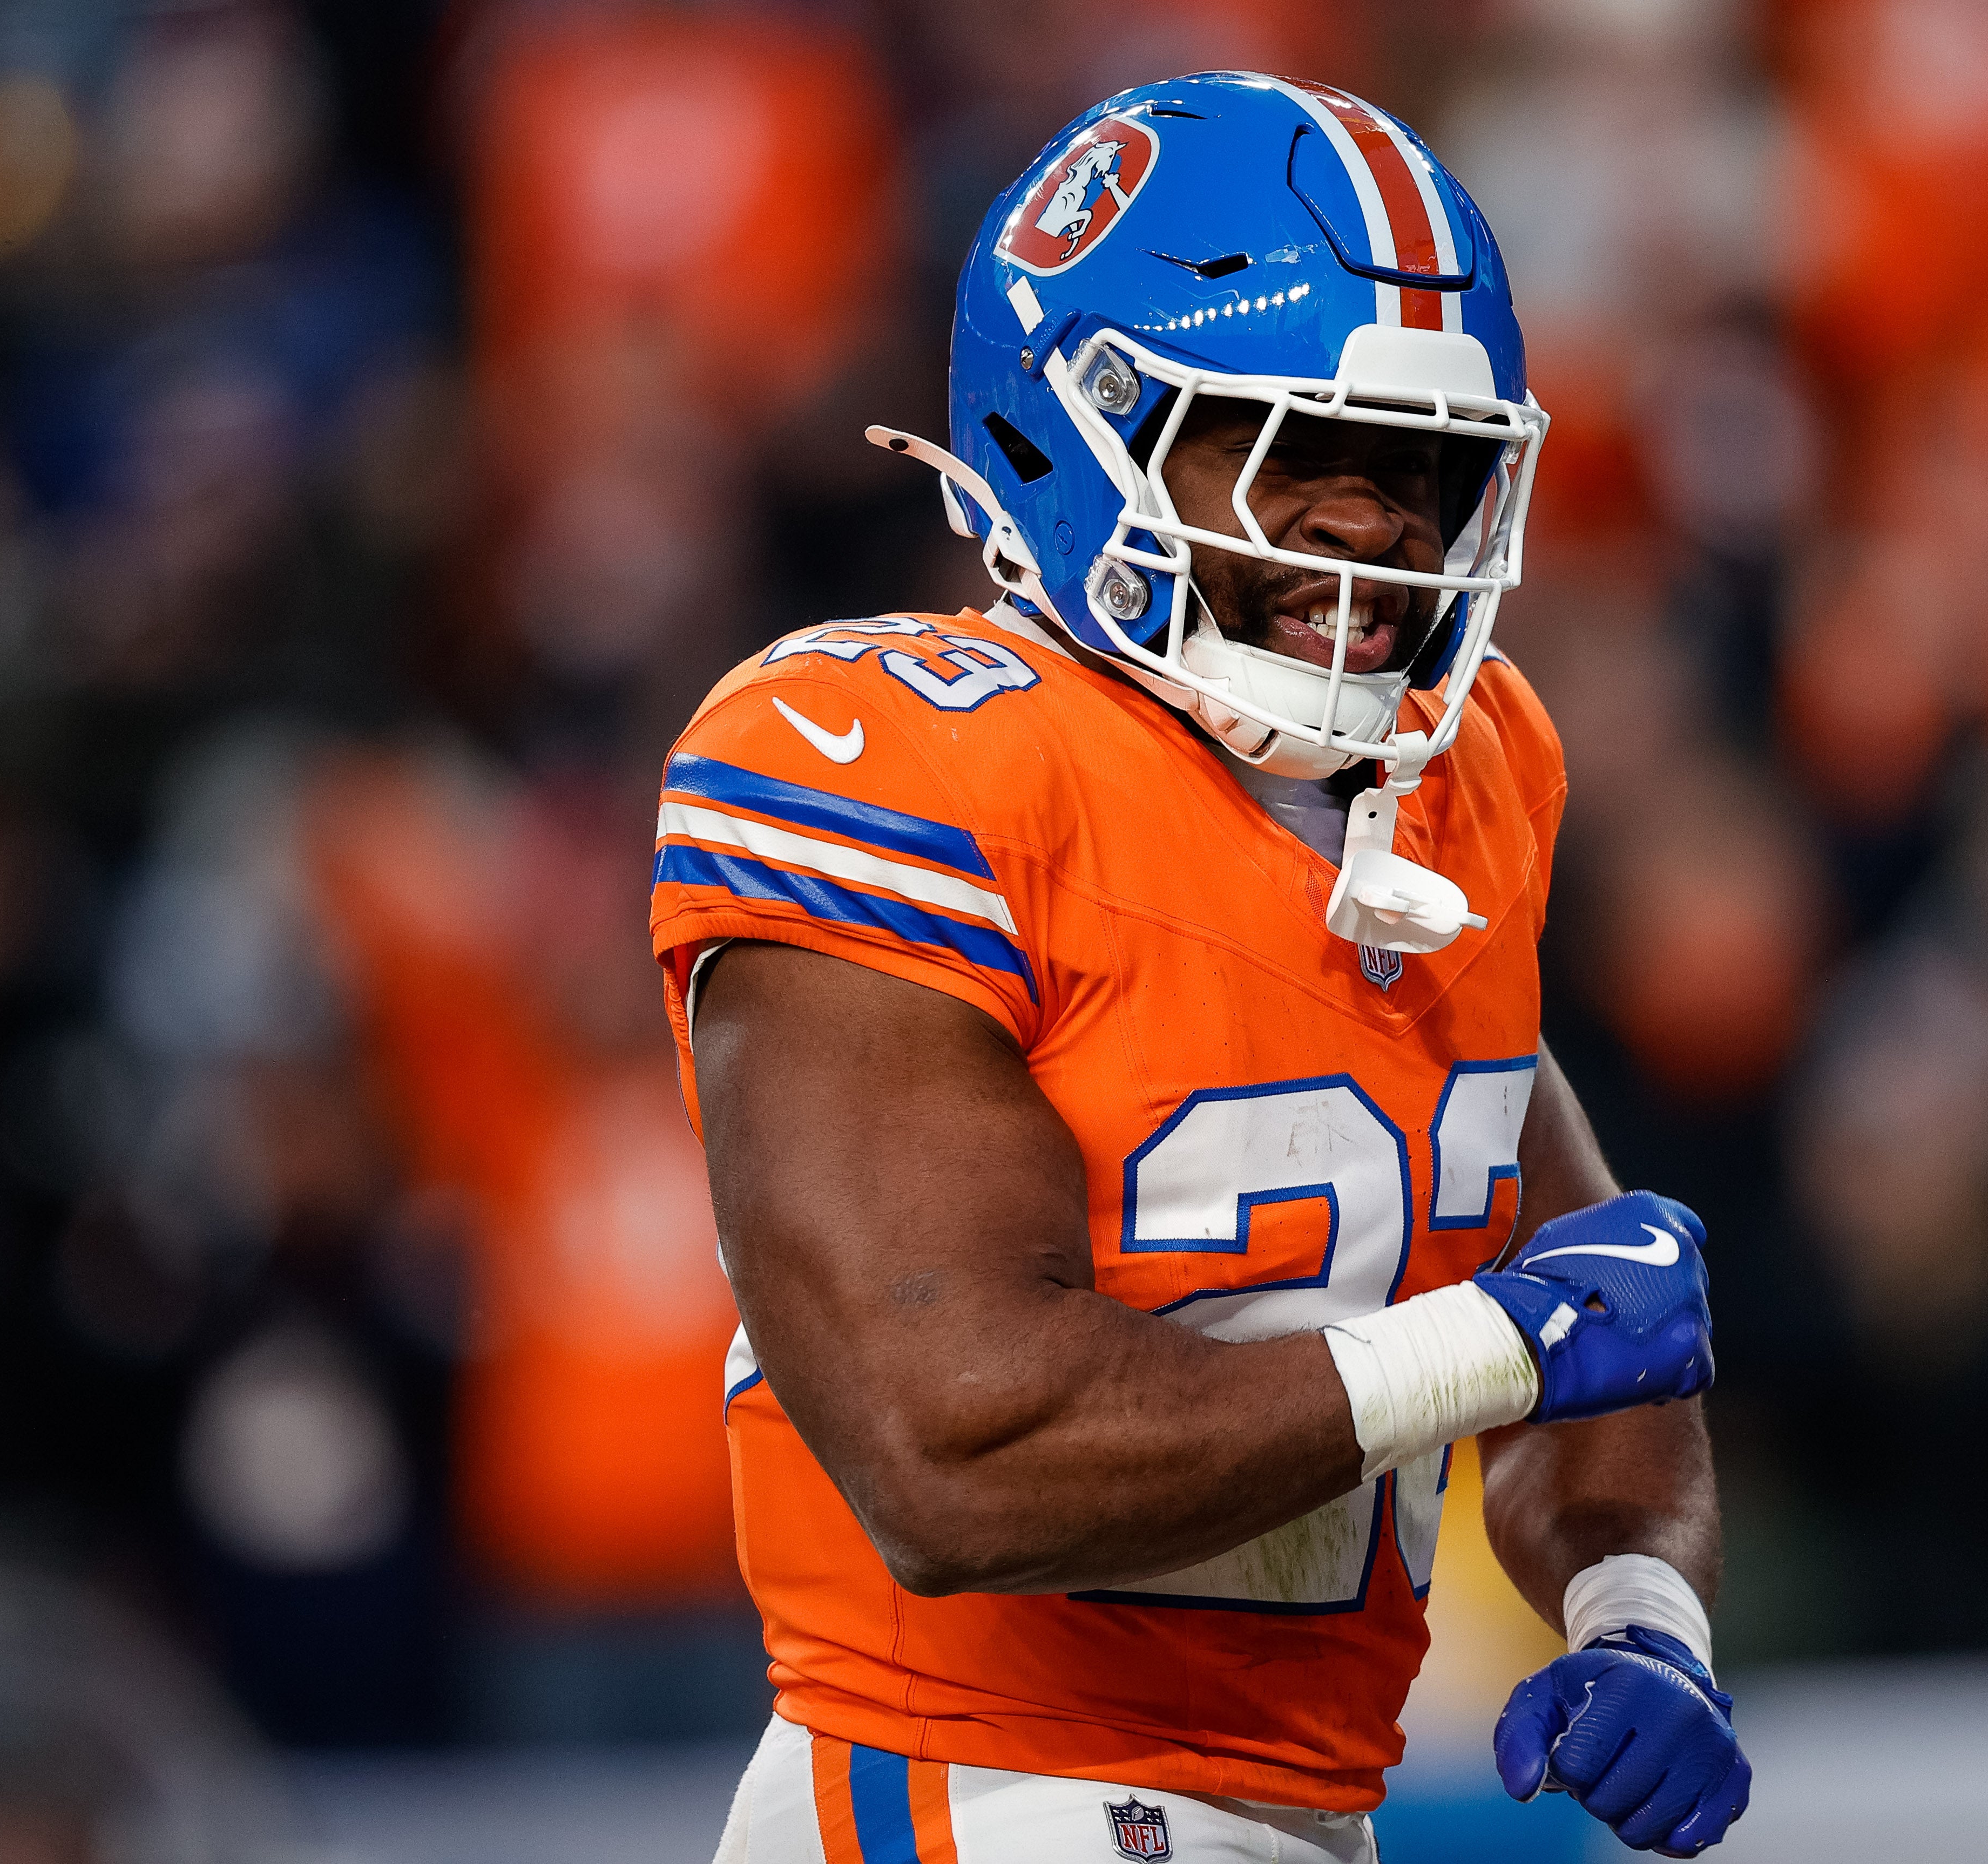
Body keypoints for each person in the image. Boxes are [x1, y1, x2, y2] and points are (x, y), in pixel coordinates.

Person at [650, 73, 1753, 1861]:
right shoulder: (888, 757)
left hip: (1303, 1807)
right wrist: (1493, 1350)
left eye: (1418, 467)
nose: (1367, 523)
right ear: (1072, 430)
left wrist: (1644, 1616)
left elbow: (1594, 1301)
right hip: (977, 1794)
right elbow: (957, 1456)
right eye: (1285, 447)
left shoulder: (1465, 771)